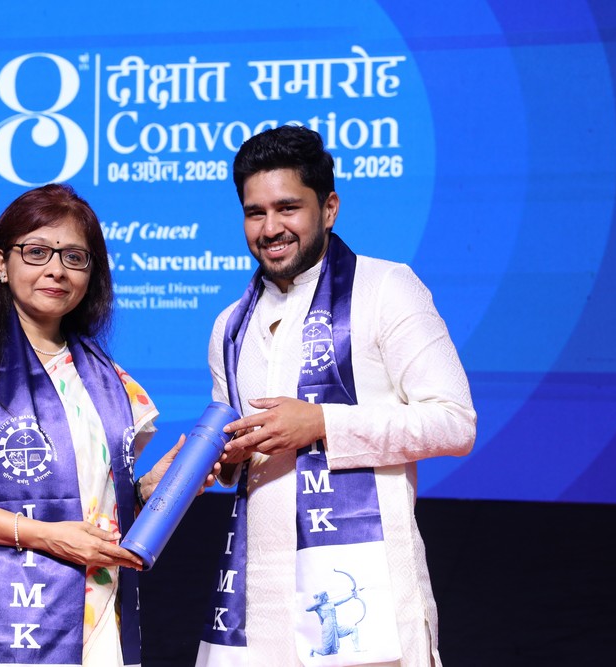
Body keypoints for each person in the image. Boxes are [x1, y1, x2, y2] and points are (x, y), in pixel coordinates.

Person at [195, 125, 477, 667]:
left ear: (328, 208)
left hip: (363, 595)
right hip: (256, 602)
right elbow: (237, 461)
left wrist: (323, 423)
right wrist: (217, 460)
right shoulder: (229, 326)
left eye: (287, 208)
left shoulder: (387, 288)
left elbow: (454, 422)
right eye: (255, 213)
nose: (271, 228)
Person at [0, 183, 197, 667]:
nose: (56, 269)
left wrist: (147, 491)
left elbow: (90, 506)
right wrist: (40, 534)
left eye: (75, 257)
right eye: (36, 252)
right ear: (1, 264)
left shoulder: (103, 376)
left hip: (83, 611)